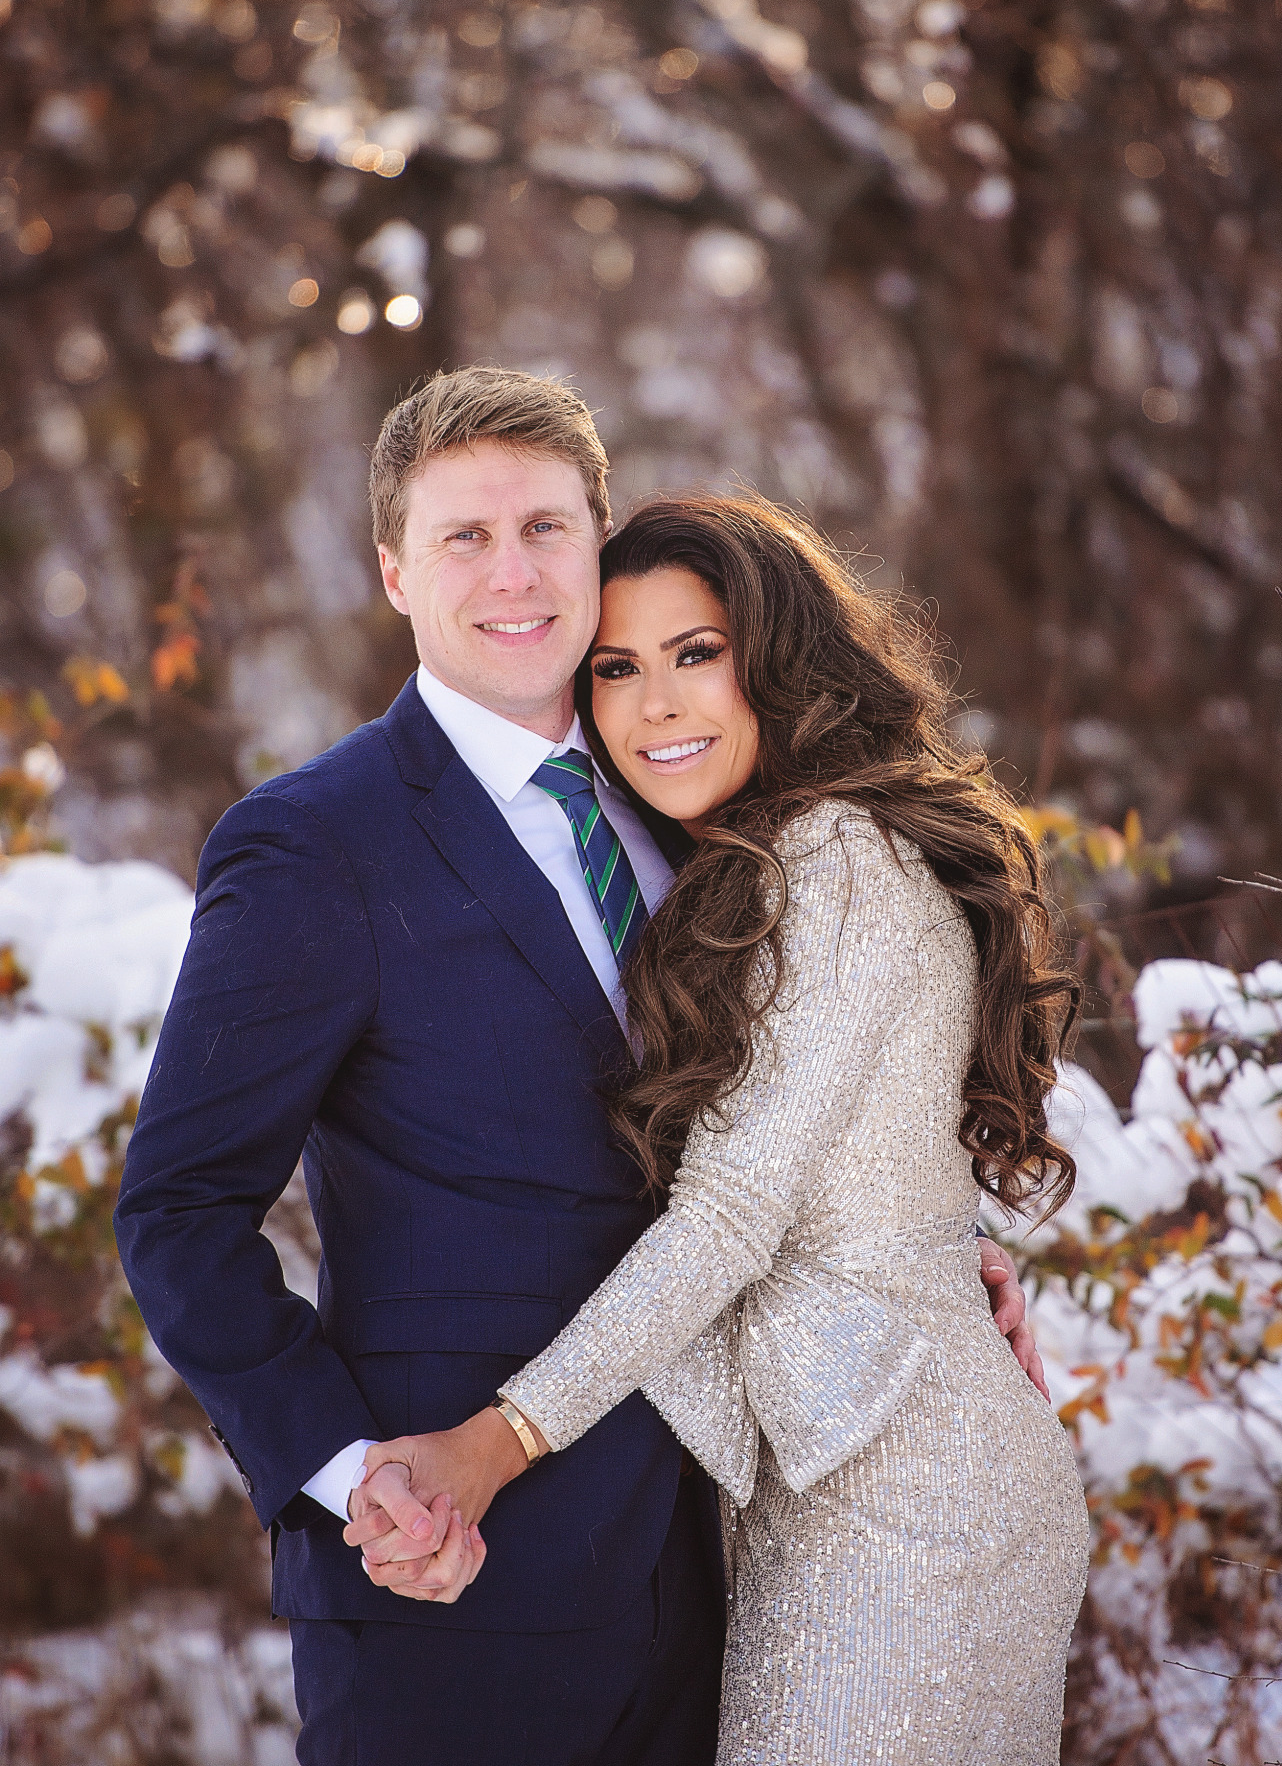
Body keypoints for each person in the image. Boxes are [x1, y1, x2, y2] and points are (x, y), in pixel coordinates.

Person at [114, 368, 1046, 1766]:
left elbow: (793, 1111)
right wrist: (349, 1473)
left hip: (718, 1545)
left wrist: (921, 1239)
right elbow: (178, 1212)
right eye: (464, 537)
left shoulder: (692, 804)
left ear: (596, 542)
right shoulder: (315, 844)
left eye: (547, 528)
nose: (514, 572)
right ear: (393, 573)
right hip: (457, 1571)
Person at [348, 493, 1090, 1765]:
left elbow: (733, 1214)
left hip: (920, 1503)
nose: (656, 707)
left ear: (776, 658)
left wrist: (494, 1440)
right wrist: (939, 1240)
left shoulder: (838, 856)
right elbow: (854, 1141)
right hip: (821, 1487)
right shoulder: (736, 866)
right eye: (615, 669)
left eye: (696, 653)